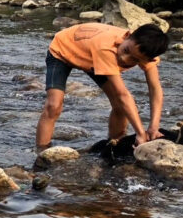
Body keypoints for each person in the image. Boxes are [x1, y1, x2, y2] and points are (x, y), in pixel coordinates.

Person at [35, 22, 169, 149]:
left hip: (91, 60)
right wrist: (140, 133)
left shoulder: (148, 54)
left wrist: (154, 127)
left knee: (120, 107)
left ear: (149, 60)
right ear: (127, 36)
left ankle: (115, 143)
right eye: (126, 50)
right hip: (62, 50)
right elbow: (122, 94)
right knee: (53, 106)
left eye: (134, 60)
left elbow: (155, 88)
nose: (124, 59)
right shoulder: (106, 47)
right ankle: (41, 151)